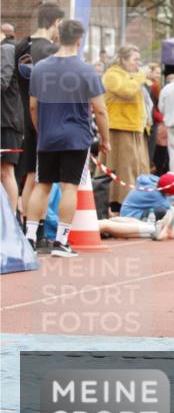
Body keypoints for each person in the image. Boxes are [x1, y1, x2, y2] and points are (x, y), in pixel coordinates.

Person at [26, 19, 110, 257]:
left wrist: (41, 130)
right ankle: (61, 242)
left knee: (42, 185)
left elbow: (33, 106)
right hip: (76, 136)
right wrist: (106, 139)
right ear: (80, 40)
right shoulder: (86, 70)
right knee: (69, 187)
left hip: (48, 135)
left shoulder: (40, 68)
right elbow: (100, 110)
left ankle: (30, 237)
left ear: (57, 37)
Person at [14, 1, 64, 231]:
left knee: (31, 175)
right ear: (56, 23)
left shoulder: (21, 47)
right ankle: (39, 227)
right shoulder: (52, 51)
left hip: (23, 115)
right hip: (45, 119)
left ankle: (26, 225)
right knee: (43, 178)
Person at [102, 45, 150, 209]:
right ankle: (119, 203)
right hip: (119, 129)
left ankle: (135, 201)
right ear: (123, 60)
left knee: (137, 168)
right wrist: (140, 77)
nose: (138, 63)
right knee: (125, 169)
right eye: (135, 59)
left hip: (135, 128)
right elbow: (127, 91)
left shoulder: (130, 76)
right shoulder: (112, 75)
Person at [1, 30, 23, 213]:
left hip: (8, 121)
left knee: (6, 171)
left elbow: (3, 81)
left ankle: (12, 218)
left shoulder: (7, 49)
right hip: (4, 119)